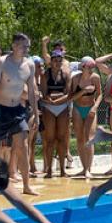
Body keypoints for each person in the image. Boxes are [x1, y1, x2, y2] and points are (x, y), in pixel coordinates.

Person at [0, 33, 40, 195]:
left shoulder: (29, 65)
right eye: (24, 46)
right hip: (1, 109)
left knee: (22, 147)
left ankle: (26, 185)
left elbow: (31, 92)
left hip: (17, 110)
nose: (27, 49)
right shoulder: (1, 62)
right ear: (14, 46)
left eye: (28, 46)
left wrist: (36, 114)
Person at [69, 56, 102, 178]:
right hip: (77, 108)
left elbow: (99, 95)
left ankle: (89, 169)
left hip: (90, 108)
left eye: (93, 66)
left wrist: (95, 107)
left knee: (89, 138)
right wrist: (83, 91)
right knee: (80, 139)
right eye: (90, 66)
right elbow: (71, 98)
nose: (92, 68)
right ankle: (84, 168)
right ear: (83, 67)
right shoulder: (75, 79)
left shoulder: (95, 78)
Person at [40, 50, 71, 178]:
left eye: (60, 60)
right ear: (51, 61)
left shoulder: (66, 74)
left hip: (62, 106)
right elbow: (43, 92)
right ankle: (49, 170)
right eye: (55, 60)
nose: (57, 63)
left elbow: (68, 93)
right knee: (50, 139)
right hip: (49, 107)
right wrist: (51, 99)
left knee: (62, 138)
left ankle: (63, 170)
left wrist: (57, 100)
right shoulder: (45, 74)